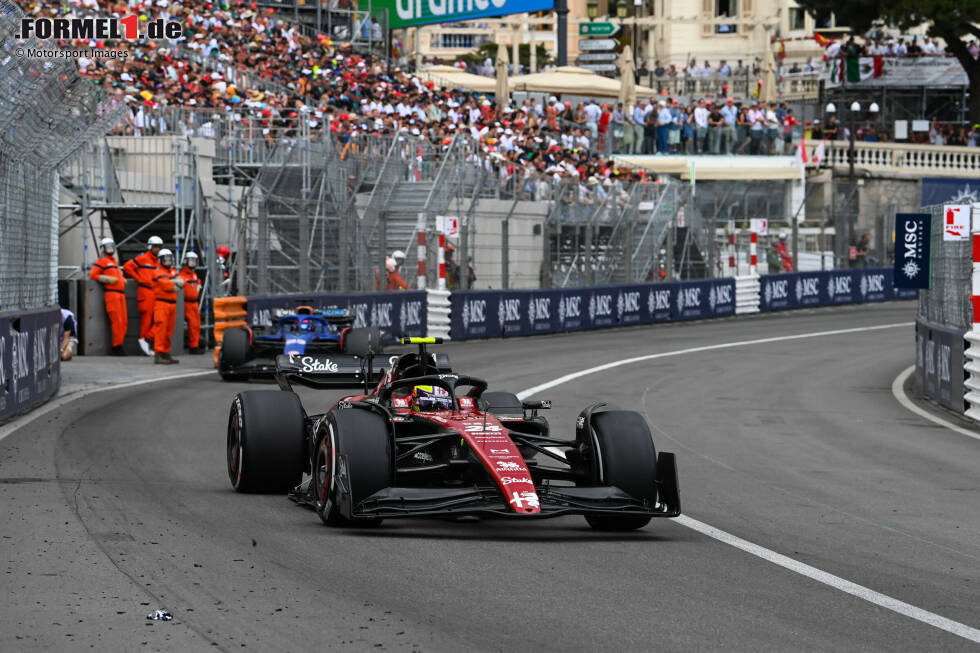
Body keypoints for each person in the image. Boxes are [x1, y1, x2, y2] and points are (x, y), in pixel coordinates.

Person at [123, 235, 163, 356]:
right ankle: (144, 340)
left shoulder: (159, 261)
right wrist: (138, 278)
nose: (158, 249)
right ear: (150, 247)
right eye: (156, 247)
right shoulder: (142, 258)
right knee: (146, 320)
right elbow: (127, 267)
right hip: (145, 292)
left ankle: (147, 339)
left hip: (156, 292)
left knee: (159, 318)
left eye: (159, 247)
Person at [88, 237, 128, 356]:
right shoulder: (102, 261)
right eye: (108, 247)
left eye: (112, 246)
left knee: (123, 322)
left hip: (120, 294)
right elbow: (93, 275)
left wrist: (121, 279)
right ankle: (117, 346)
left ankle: (119, 343)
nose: (110, 248)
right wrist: (106, 279)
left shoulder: (114, 262)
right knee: (117, 321)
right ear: (103, 249)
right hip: (112, 294)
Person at [151, 249, 184, 365]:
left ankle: (165, 352)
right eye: (165, 259)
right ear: (160, 260)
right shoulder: (158, 272)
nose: (168, 261)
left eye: (169, 258)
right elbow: (166, 285)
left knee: (169, 331)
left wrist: (174, 282)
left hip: (172, 304)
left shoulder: (173, 272)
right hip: (161, 304)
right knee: (161, 329)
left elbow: (182, 282)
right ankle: (158, 354)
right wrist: (175, 283)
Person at [180, 252, 204, 354]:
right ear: (186, 261)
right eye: (191, 260)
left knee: (197, 324)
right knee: (193, 324)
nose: (193, 263)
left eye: (195, 261)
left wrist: (199, 285)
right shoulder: (182, 275)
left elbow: (198, 281)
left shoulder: (194, 275)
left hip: (194, 303)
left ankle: (196, 343)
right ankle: (193, 346)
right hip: (187, 303)